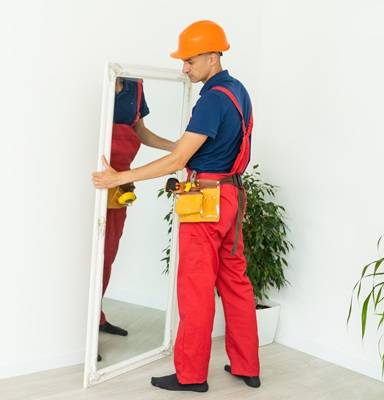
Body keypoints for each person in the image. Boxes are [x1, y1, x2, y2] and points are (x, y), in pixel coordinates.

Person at [92, 20, 261, 392]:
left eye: (190, 60)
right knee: (236, 282)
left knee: (196, 290)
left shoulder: (211, 100)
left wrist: (119, 178)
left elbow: (177, 161)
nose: (184, 68)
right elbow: (197, 148)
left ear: (213, 57)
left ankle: (191, 375)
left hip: (204, 200)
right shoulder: (238, 91)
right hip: (232, 197)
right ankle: (248, 366)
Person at [100, 77, 175, 338]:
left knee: (107, 253)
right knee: (86, 255)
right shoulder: (97, 78)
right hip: (93, 178)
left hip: (121, 181)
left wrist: (174, 148)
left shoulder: (136, 86)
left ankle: (95, 317)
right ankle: (79, 327)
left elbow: (140, 131)